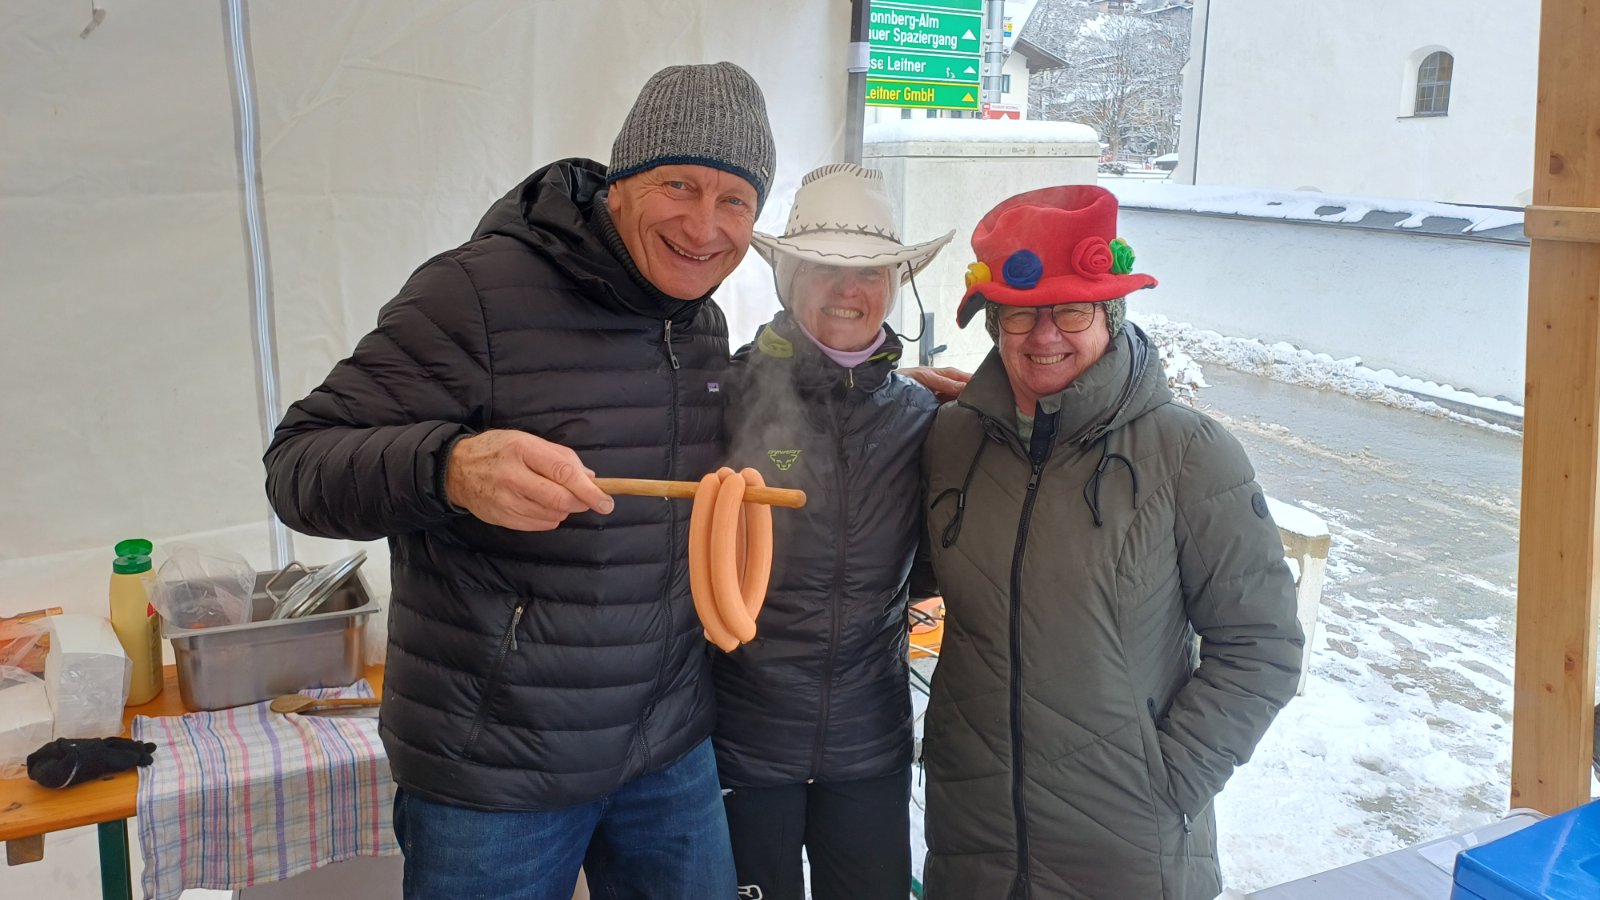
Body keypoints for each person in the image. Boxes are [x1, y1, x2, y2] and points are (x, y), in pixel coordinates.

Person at [263, 62, 775, 900]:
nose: (703, 225)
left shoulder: (702, 324)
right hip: (495, 768)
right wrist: (449, 468)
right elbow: (298, 464)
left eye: (735, 200)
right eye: (679, 184)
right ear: (620, 183)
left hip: (666, 746)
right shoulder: (477, 293)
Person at [918, 184, 1304, 899]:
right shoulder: (953, 439)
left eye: (1071, 310)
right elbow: (897, 573)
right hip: (973, 834)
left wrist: (1168, 779)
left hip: (1126, 849)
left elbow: (1262, 646)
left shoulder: (1188, 454)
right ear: (995, 325)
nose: (1044, 336)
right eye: (1020, 315)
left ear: (1110, 315)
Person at [713, 163, 954, 900]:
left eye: (872, 270)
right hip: (742, 741)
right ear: (789, 277)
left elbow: (936, 560)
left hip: (869, 742)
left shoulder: (923, 420)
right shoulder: (723, 396)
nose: (850, 289)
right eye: (825, 267)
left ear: (895, 283)